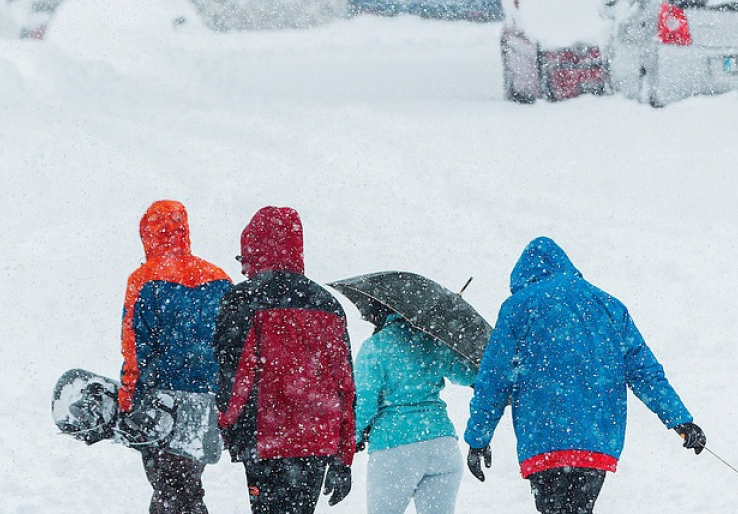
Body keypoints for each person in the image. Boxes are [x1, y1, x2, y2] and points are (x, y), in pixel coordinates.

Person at [464, 237, 706, 514]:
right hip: (595, 443)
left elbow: (493, 380)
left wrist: (479, 437)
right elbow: (645, 372)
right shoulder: (609, 306)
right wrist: (680, 420)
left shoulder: (518, 307)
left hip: (543, 441)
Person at [215, 206, 355, 514]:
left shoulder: (242, 301)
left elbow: (234, 378)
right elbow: (345, 385)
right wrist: (343, 458)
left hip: (264, 441)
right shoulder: (328, 305)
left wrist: (226, 427)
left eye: (245, 258)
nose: (242, 269)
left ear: (257, 251)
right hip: (317, 441)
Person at [119, 200, 233, 514]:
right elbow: (232, 345)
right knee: (187, 486)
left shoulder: (143, 279)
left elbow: (134, 348)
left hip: (162, 401)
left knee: (169, 489)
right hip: (206, 400)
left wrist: (128, 395)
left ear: (148, 234)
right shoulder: (219, 278)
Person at [354, 312, 477, 514]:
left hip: (394, 445)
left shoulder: (375, 346)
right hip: (442, 442)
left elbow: (365, 403)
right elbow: (468, 376)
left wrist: (354, 437)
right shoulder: (434, 340)